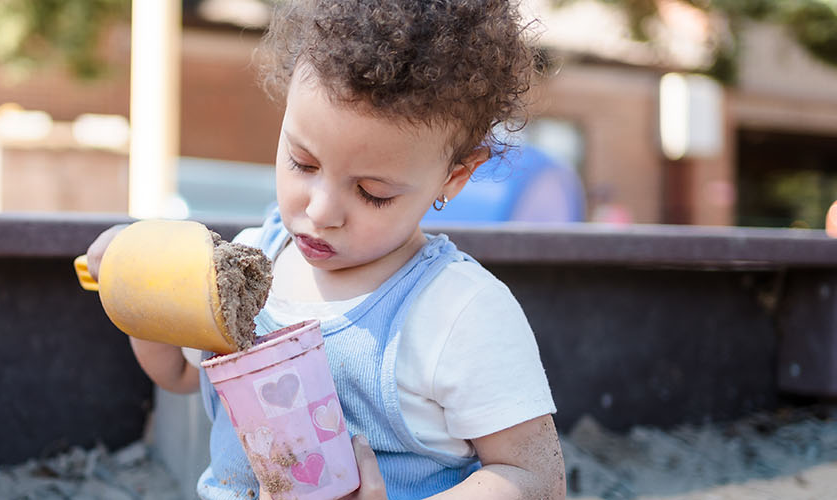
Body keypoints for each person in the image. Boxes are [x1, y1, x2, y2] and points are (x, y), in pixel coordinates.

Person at [84, 0, 564, 498]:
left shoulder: (458, 312)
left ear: (455, 175)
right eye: (302, 163)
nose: (320, 211)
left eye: (372, 192)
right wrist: (134, 285)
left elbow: (534, 477)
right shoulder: (249, 262)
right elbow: (183, 373)